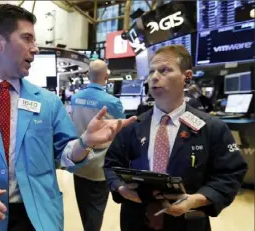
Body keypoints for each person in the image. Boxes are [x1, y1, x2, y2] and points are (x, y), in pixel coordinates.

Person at [0, 4, 137, 231]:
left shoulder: (48, 102)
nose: (35, 49)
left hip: (40, 217)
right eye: (27, 38)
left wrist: (84, 142)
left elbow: (65, 154)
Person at [103, 45, 248, 231]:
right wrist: (120, 188)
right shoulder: (132, 126)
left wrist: (196, 199)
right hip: (136, 220)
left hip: (188, 223)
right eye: (151, 71)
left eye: (164, 70)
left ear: (186, 77)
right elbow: (111, 164)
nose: (154, 77)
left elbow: (231, 173)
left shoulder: (211, 127)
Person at [70, 60, 125, 231]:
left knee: (83, 206)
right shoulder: (112, 102)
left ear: (88, 76)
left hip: (78, 159)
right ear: (107, 77)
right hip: (100, 165)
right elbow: (121, 131)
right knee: (96, 208)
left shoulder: (74, 98)